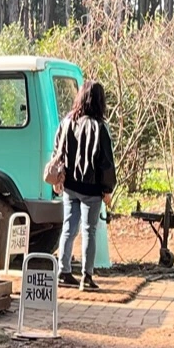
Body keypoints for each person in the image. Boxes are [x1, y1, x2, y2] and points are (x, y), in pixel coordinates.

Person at [54, 80, 117, 289]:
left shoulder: (67, 122)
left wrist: (58, 179)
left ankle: (64, 271)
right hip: (92, 189)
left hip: (69, 186)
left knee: (68, 228)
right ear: (100, 101)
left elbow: (57, 151)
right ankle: (87, 277)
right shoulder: (100, 127)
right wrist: (107, 190)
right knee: (89, 230)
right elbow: (106, 163)